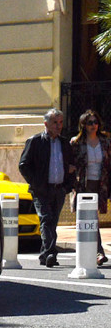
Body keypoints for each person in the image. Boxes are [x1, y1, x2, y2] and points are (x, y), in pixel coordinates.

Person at [19, 108, 76, 267]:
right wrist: (36, 184)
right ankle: (51, 253)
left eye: (60, 122)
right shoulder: (35, 141)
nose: (59, 126)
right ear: (46, 124)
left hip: (59, 189)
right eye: (55, 122)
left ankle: (45, 254)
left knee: (52, 222)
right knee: (46, 219)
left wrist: (67, 186)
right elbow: (23, 165)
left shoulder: (64, 143)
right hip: (41, 190)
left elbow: (72, 165)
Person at [70, 109, 110, 266]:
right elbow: (70, 162)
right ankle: (98, 252)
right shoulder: (76, 143)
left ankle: (92, 251)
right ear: (83, 125)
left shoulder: (105, 141)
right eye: (90, 123)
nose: (94, 125)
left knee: (93, 218)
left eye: (95, 122)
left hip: (101, 184)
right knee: (92, 217)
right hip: (84, 184)